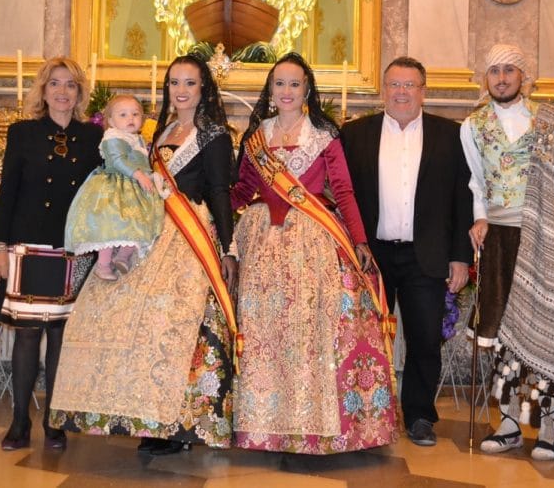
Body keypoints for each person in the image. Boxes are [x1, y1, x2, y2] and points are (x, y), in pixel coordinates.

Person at [50, 54, 238, 456]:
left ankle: (178, 426)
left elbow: (222, 191)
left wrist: (228, 247)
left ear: (204, 89)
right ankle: (144, 416)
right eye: (174, 83)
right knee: (134, 324)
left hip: (190, 235)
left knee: (174, 325)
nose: (181, 91)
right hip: (149, 227)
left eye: (189, 83)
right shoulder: (157, 131)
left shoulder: (215, 135)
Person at [231, 52, 399, 454]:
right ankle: (266, 425)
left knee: (311, 332)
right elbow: (240, 191)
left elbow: (342, 191)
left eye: (294, 83)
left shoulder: (324, 136)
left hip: (313, 243)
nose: (286, 91)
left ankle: (315, 424)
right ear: (270, 90)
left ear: (307, 90)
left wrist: (359, 241)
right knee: (263, 333)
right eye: (280, 83)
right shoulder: (255, 139)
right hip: (262, 245)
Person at [342, 56, 473, 446]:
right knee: (362, 338)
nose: (401, 92)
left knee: (424, 339)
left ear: (423, 91)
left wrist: (461, 256)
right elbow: (342, 196)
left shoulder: (451, 135)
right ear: (384, 90)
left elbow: (462, 200)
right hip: (371, 256)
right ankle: (365, 415)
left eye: (409, 85)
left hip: (426, 255)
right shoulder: (355, 134)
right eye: (394, 85)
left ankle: (419, 416)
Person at [0, 57, 103, 451]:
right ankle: (19, 422)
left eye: (70, 85)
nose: (62, 92)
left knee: (59, 338)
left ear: (80, 93)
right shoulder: (22, 133)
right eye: (55, 84)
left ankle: (54, 421)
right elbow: (8, 195)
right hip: (27, 246)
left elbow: (101, 196)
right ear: (43, 90)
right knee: (26, 337)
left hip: (70, 250)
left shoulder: (93, 138)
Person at [461, 44, 554, 460]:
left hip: (542, 231)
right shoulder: (472, 125)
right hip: (499, 236)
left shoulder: (548, 121)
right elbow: (474, 181)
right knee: (503, 328)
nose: (502, 78)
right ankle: (508, 423)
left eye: (509, 70)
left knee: (544, 324)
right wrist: (479, 217)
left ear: (523, 76)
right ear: (485, 78)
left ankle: (548, 428)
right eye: (494, 71)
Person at [64, 94, 167, 280]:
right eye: (123, 115)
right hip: (115, 187)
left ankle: (122, 256)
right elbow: (118, 160)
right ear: (110, 120)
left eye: (136, 114)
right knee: (110, 225)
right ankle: (103, 265)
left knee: (138, 223)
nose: (131, 118)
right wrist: (139, 175)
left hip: (135, 189)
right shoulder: (113, 137)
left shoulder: (137, 139)